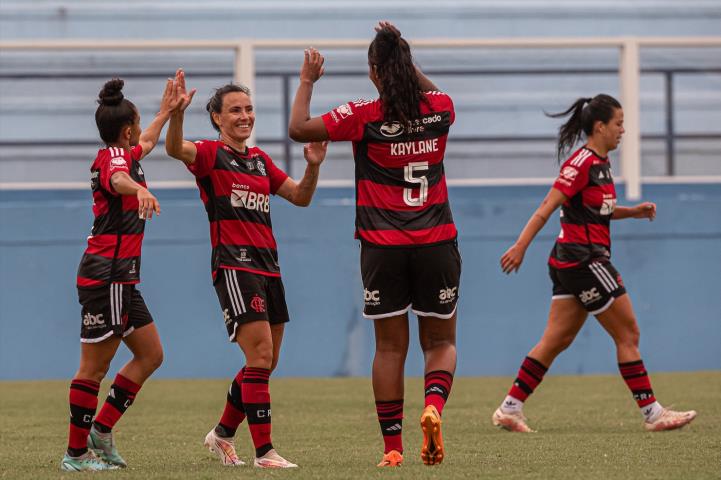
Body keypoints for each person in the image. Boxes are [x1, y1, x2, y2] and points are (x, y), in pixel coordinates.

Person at [288, 22, 460, 467]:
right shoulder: (441, 108)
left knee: (389, 348)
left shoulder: (362, 114)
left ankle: (393, 448)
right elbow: (432, 91)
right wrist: (403, 56)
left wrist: (307, 80)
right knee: (439, 340)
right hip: (437, 240)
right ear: (409, 65)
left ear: (372, 72)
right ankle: (433, 408)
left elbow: (299, 128)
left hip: (382, 246)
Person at [493, 94, 697, 433]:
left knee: (556, 339)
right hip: (584, 261)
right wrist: (520, 245)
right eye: (618, 123)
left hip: (568, 262)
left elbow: (598, 210)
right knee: (628, 332)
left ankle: (510, 408)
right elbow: (546, 206)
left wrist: (633, 212)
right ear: (599, 127)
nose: (623, 130)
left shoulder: (600, 164)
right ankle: (653, 413)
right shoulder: (581, 164)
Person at [165, 69, 327, 469]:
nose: (245, 115)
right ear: (218, 118)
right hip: (234, 266)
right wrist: (177, 114)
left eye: (249, 108)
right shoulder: (209, 154)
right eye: (235, 110)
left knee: (265, 362)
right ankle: (265, 452)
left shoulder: (259, 161)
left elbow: (300, 197)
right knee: (260, 357)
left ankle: (222, 434)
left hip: (268, 267)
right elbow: (173, 149)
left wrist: (314, 166)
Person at [62, 77, 177, 471]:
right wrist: (138, 191)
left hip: (123, 277)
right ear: (124, 130)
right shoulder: (114, 159)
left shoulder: (128, 153)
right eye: (139, 123)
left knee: (151, 354)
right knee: (93, 368)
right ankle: (75, 456)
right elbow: (116, 180)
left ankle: (102, 430)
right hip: (105, 276)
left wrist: (165, 112)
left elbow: (143, 144)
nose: (140, 134)